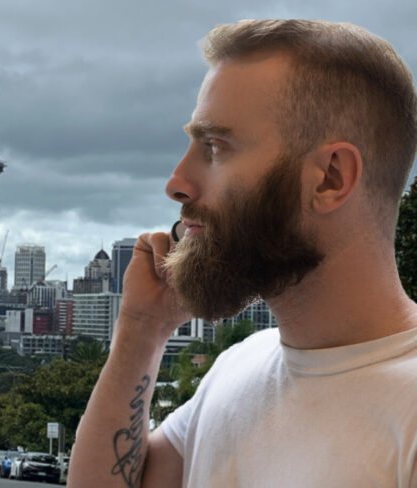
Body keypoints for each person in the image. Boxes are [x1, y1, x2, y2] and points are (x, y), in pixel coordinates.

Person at [68, 19, 417, 488]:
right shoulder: (238, 367)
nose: (176, 183)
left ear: (330, 177)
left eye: (214, 148)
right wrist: (141, 331)